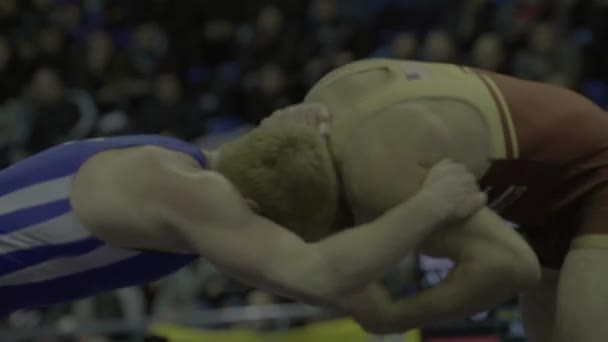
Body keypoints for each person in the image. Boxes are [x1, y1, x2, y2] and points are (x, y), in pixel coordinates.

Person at [219, 58, 608, 342]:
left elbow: (511, 266)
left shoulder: (379, 175)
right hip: (550, 190)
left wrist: (398, 316)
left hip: (598, 176)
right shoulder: (319, 106)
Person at [0, 102, 486, 317]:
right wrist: (432, 204)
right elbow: (317, 277)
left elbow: (265, 156)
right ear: (249, 208)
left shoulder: (180, 159)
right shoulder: (193, 193)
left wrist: (289, 137)